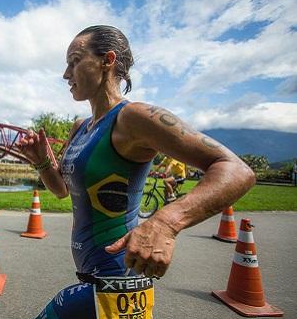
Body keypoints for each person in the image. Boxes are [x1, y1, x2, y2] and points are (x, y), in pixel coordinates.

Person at [17, 25, 255, 319]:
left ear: (108, 61)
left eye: (75, 61)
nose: (66, 74)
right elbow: (62, 190)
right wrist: (42, 162)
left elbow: (236, 170)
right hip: (92, 277)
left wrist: (166, 222)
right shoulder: (81, 127)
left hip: (120, 282)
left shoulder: (133, 118)